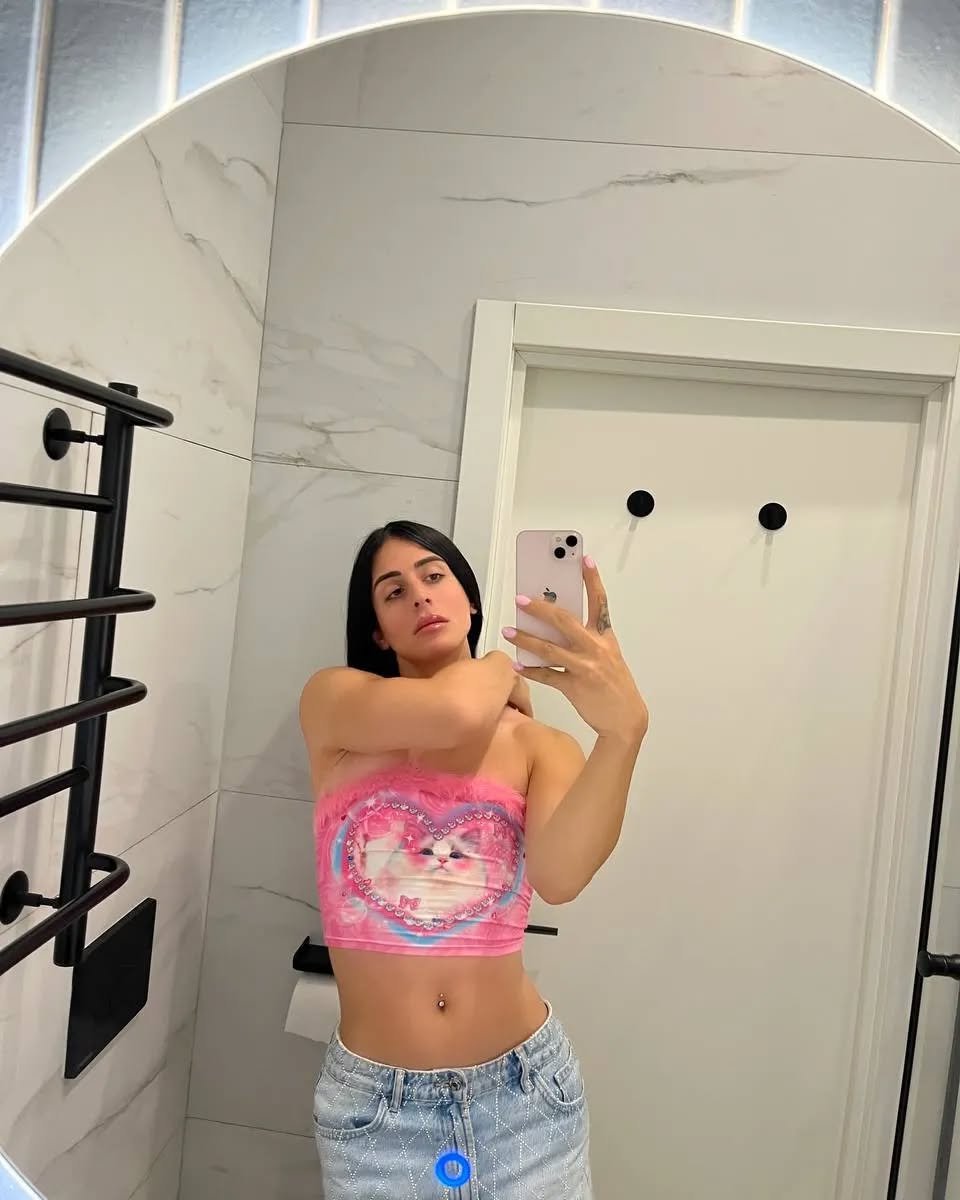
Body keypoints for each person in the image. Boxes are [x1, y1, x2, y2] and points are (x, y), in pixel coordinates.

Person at [299, 520, 648, 1199]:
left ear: (469, 599)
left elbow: (561, 877)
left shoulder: (540, 746)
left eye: (434, 576)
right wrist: (500, 665)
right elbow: (454, 714)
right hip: (376, 1114)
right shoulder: (335, 705)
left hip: (525, 1099)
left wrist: (623, 733)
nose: (419, 596)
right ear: (377, 632)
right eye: (393, 591)